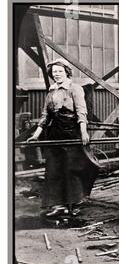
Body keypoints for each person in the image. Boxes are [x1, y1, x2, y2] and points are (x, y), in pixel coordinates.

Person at [27, 58, 99, 218]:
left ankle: (72, 204)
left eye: (60, 71)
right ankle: (58, 205)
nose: (57, 74)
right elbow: (45, 116)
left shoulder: (75, 88)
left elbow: (81, 112)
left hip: (71, 132)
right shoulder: (52, 91)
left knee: (70, 169)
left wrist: (83, 131)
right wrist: (36, 134)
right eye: (54, 72)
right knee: (53, 170)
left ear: (66, 72)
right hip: (55, 133)